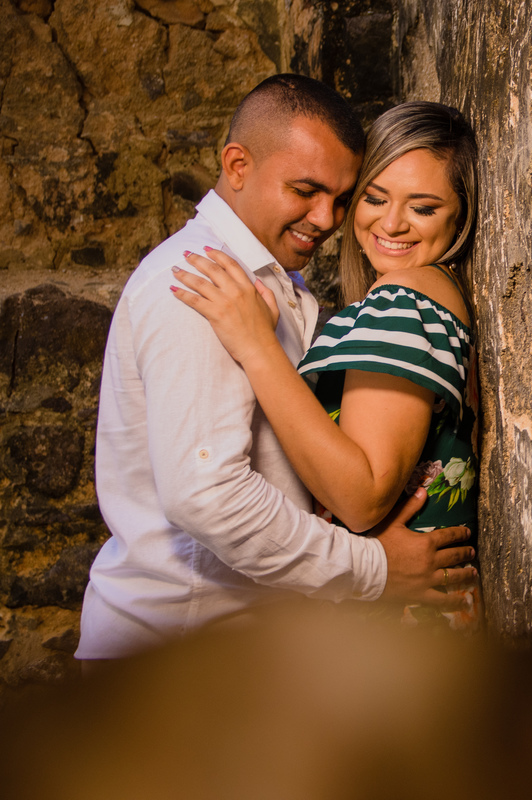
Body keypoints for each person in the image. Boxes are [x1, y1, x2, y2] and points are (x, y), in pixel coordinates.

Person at [76, 77, 475, 663]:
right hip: (178, 654)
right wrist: (372, 568)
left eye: (341, 197)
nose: (326, 218)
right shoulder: (199, 281)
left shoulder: (274, 285)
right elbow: (207, 495)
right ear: (236, 165)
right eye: (306, 190)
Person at [170, 101, 482, 629]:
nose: (391, 223)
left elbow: (361, 498)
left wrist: (256, 345)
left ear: (461, 213)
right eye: (374, 198)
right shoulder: (430, 292)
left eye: (423, 208)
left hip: (400, 631)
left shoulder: (404, 298)